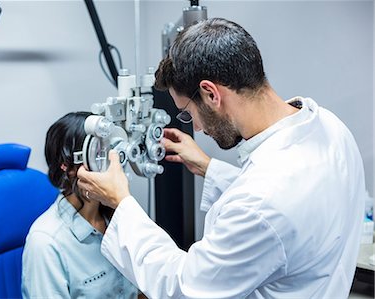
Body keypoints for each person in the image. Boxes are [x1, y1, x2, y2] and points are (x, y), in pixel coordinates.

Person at [76, 18, 366, 298]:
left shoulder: (261, 203)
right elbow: (291, 204)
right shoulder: (329, 127)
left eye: (188, 114)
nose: (197, 128)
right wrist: (209, 167)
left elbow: (183, 288)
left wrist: (121, 203)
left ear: (211, 94)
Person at [21, 112, 140, 298]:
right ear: (66, 166)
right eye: (97, 154)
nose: (109, 163)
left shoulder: (119, 218)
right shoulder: (46, 243)